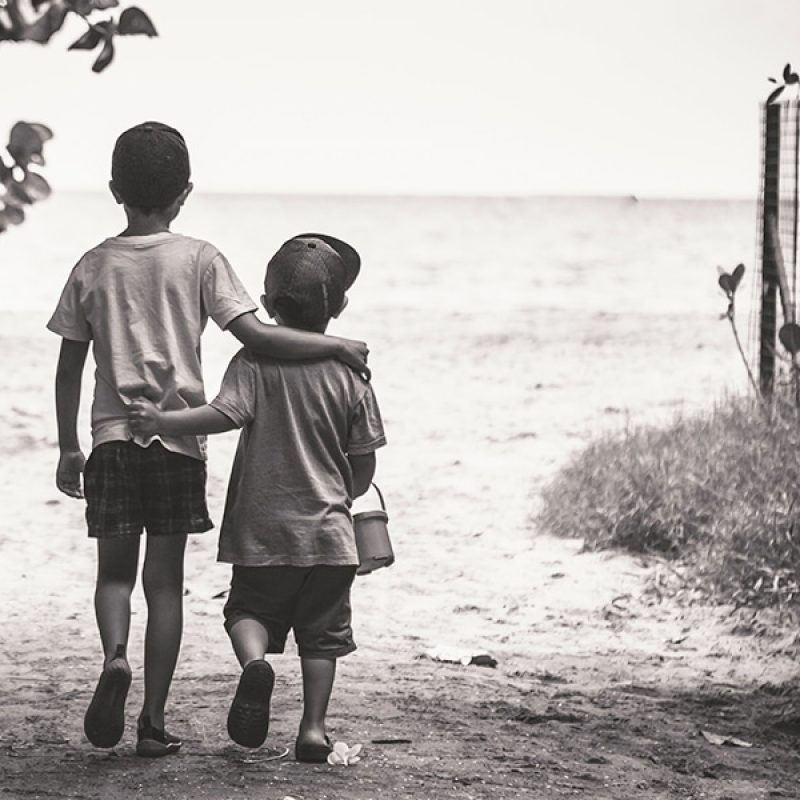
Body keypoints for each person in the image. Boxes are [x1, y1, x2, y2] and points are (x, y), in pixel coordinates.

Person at [47, 122, 370, 758]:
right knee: (163, 582)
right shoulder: (200, 258)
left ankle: (115, 657)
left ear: (114, 189)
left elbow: (69, 366)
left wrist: (68, 446)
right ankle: (153, 721)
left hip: (113, 439)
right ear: (185, 192)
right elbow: (259, 338)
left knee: (114, 576)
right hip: (174, 446)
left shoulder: (91, 264)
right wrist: (335, 343)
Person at [127, 233, 386, 762]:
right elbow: (364, 459)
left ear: (266, 306)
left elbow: (223, 415)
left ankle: (255, 665)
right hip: (330, 537)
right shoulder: (350, 373)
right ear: (339, 307)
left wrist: (164, 420)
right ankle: (313, 730)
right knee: (322, 638)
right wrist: (350, 491)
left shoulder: (254, 361)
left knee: (246, 611)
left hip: (261, 530)